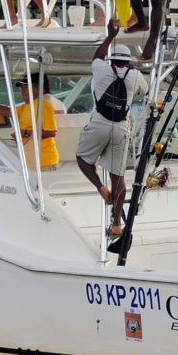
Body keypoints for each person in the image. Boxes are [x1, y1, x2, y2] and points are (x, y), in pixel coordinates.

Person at [76, 20, 147, 237]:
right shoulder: (135, 76)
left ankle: (99, 186)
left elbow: (97, 56)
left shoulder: (101, 69)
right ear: (127, 62)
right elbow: (146, 93)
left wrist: (110, 36)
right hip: (121, 129)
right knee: (118, 177)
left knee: (83, 159)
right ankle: (116, 223)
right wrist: (132, 70)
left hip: (99, 123)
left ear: (111, 59)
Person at [0, 73, 58, 171]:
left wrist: (24, 133)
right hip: (30, 161)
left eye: (26, 86)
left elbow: (51, 132)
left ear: (38, 88)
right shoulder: (27, 106)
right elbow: (8, 112)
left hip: (44, 161)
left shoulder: (43, 105)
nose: (23, 90)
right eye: (21, 87)